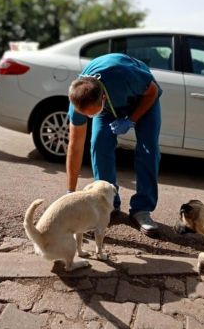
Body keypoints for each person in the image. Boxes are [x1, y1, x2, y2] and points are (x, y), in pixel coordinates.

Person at [66, 53, 162, 236]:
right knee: (98, 143)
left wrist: (131, 120)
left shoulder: (123, 74)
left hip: (143, 97)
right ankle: (108, 203)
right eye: (87, 115)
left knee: (148, 149)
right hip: (108, 104)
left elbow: (152, 91)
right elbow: (75, 146)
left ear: (102, 99)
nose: (87, 118)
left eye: (91, 114)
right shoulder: (79, 100)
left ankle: (142, 209)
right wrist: (70, 191)